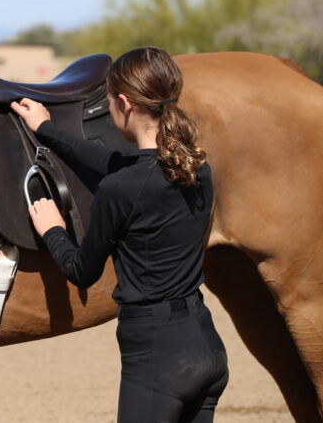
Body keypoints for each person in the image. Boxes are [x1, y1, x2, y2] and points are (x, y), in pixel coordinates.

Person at [12, 46, 228, 423]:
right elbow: (116, 164)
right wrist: (46, 130)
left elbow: (82, 271)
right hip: (204, 344)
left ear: (124, 104)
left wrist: (54, 231)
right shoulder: (198, 169)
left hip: (158, 357)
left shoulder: (121, 189)